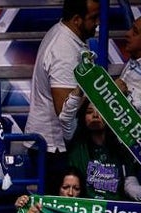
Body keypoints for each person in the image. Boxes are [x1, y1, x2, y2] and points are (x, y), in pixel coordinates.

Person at [25, 0, 100, 172]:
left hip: (54, 145)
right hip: (53, 148)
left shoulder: (69, 34)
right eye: (93, 17)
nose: (97, 23)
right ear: (77, 19)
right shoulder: (63, 51)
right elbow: (65, 111)